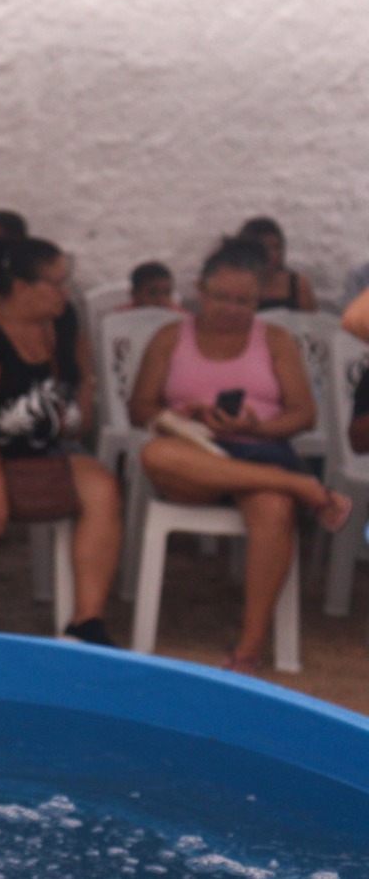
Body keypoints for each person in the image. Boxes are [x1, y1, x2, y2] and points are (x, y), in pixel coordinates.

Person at [129, 238, 350, 674]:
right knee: (157, 454)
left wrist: (256, 427)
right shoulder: (171, 336)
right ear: (201, 291)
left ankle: (248, 648)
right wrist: (184, 416)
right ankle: (298, 484)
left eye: (245, 301)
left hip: (259, 450)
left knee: (273, 508)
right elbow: (140, 409)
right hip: (194, 456)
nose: (232, 309)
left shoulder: (276, 339)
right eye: (223, 298)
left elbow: (304, 414)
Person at [0, 237, 121, 644]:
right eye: (56, 283)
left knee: (102, 490)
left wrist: (84, 394)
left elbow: (80, 375)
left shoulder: (63, 321)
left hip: (44, 447)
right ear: (21, 287)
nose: (65, 293)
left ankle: (87, 619)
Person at [236, 216, 317, 312]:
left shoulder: (297, 284)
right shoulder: (234, 284)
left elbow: (310, 323)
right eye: (263, 247)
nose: (270, 254)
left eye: (275, 247)